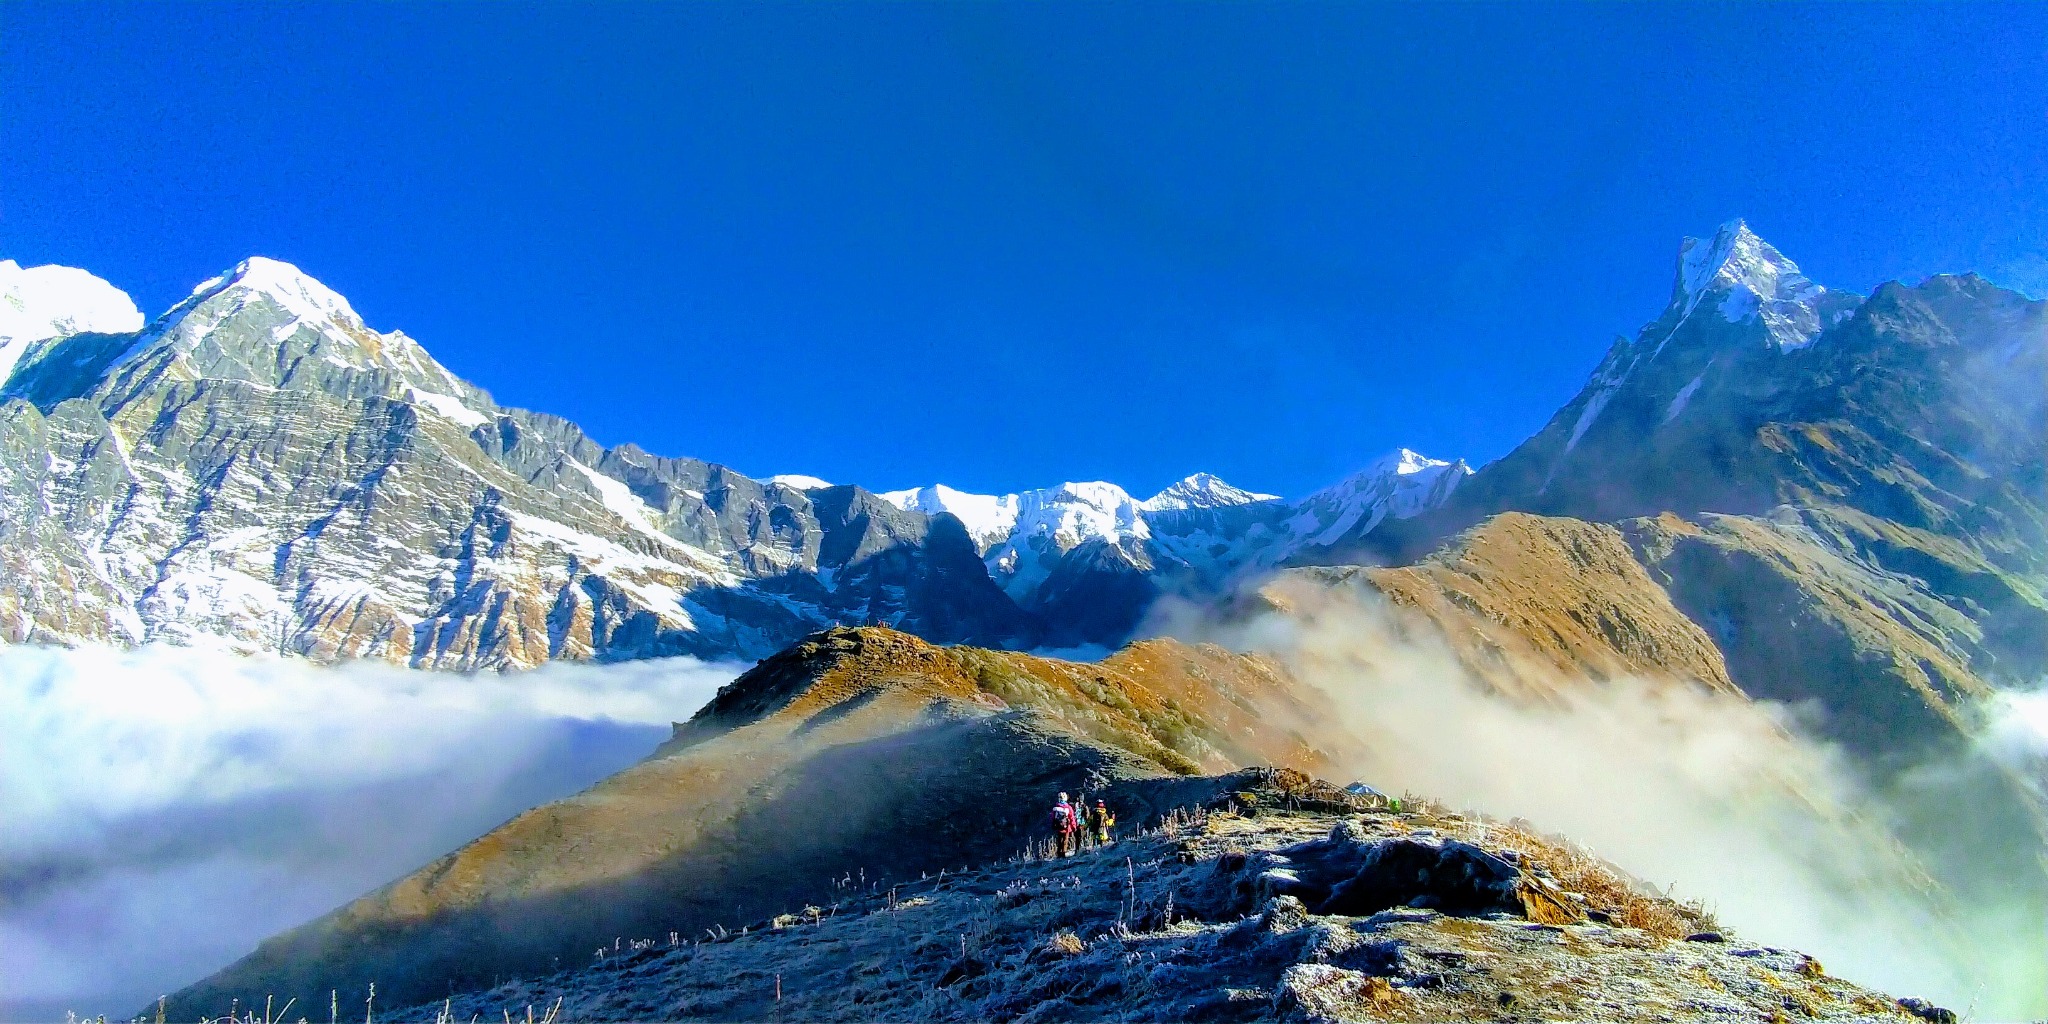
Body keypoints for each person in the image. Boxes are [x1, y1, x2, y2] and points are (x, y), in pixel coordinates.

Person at [1049, 792, 1080, 857]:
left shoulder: (1056, 808)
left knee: (1059, 840)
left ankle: (1058, 853)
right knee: (1065, 840)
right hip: (1066, 827)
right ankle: (1063, 853)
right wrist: (1074, 826)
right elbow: (1072, 818)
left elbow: (1052, 817)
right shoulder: (1068, 807)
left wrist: (1053, 824)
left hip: (1059, 827)